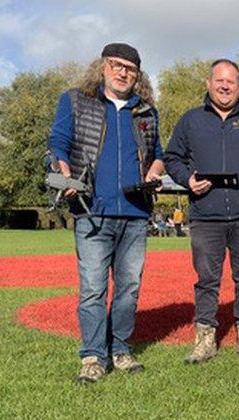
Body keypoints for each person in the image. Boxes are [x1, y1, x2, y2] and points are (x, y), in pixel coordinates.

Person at [48, 42, 165, 384]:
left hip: (135, 214)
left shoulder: (146, 111)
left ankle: (120, 349)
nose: (122, 72)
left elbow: (158, 152)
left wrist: (154, 171)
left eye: (130, 68)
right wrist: (64, 171)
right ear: (102, 66)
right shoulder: (75, 100)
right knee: (93, 288)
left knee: (129, 288)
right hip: (92, 213)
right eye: (116, 64)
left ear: (137, 75)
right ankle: (93, 356)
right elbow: (58, 142)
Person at [164, 59, 239, 363]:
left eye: (231, 82)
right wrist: (187, 180)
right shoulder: (191, 121)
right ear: (208, 83)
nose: (225, 86)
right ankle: (205, 339)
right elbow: (172, 158)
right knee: (206, 279)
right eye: (219, 81)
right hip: (205, 216)